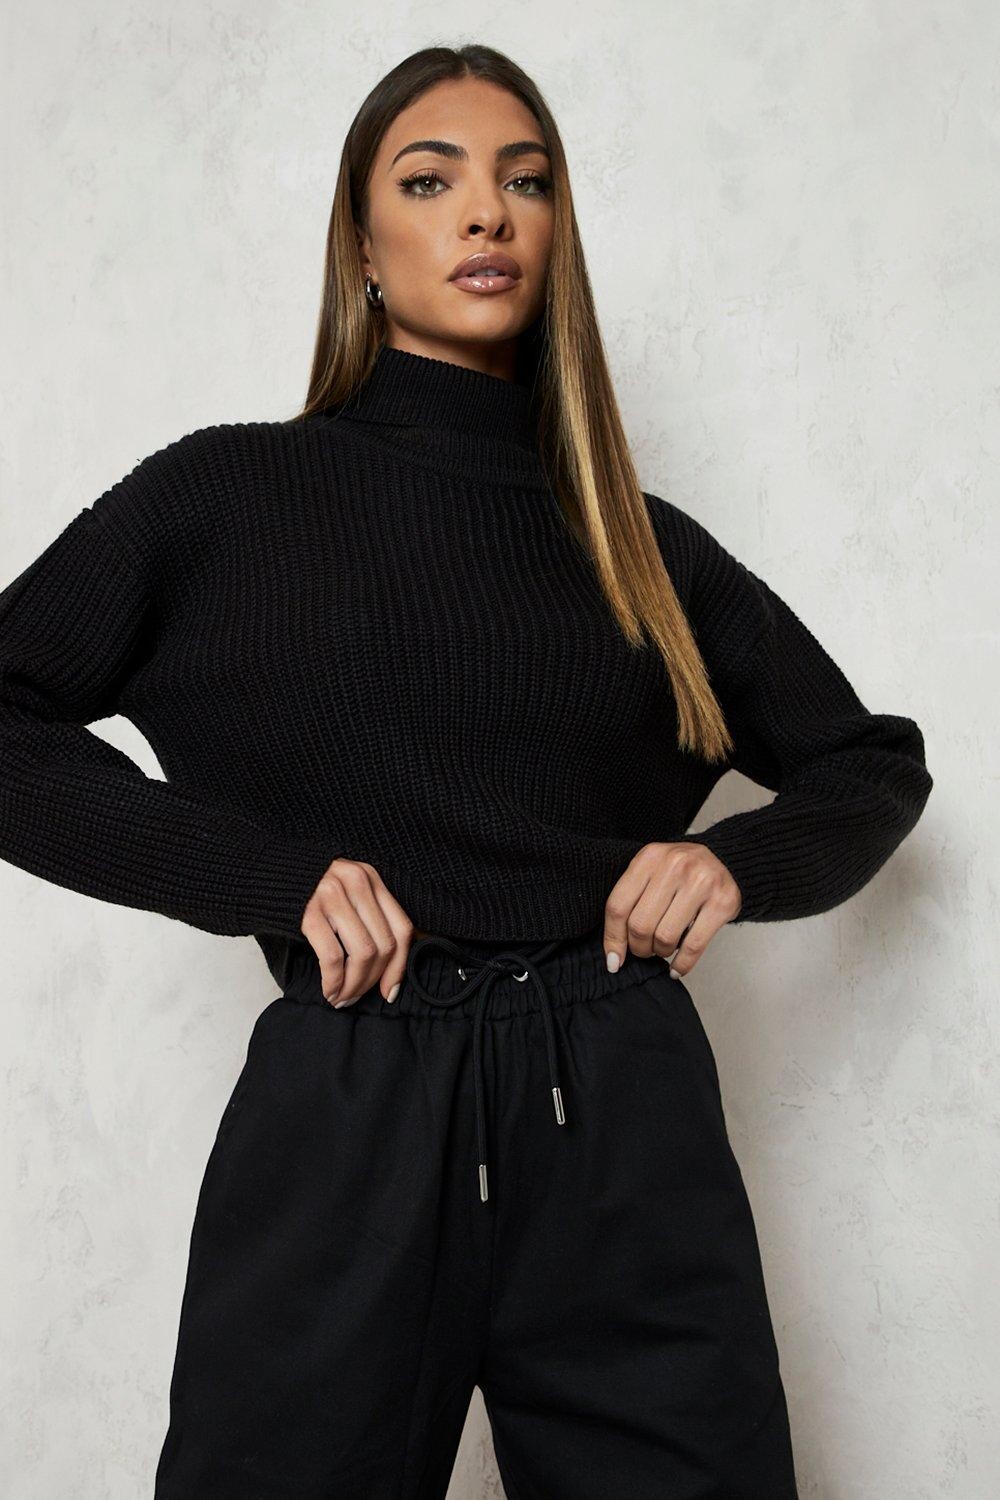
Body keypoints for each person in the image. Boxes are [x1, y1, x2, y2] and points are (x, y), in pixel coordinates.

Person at [0, 44, 932, 1500]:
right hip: (348, 1109)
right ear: (363, 246)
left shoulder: (639, 546)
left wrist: (733, 864)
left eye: (525, 182)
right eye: (430, 182)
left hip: (622, 1118)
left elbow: (870, 765)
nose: (486, 214)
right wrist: (260, 876)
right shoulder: (226, 499)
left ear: (557, 237)